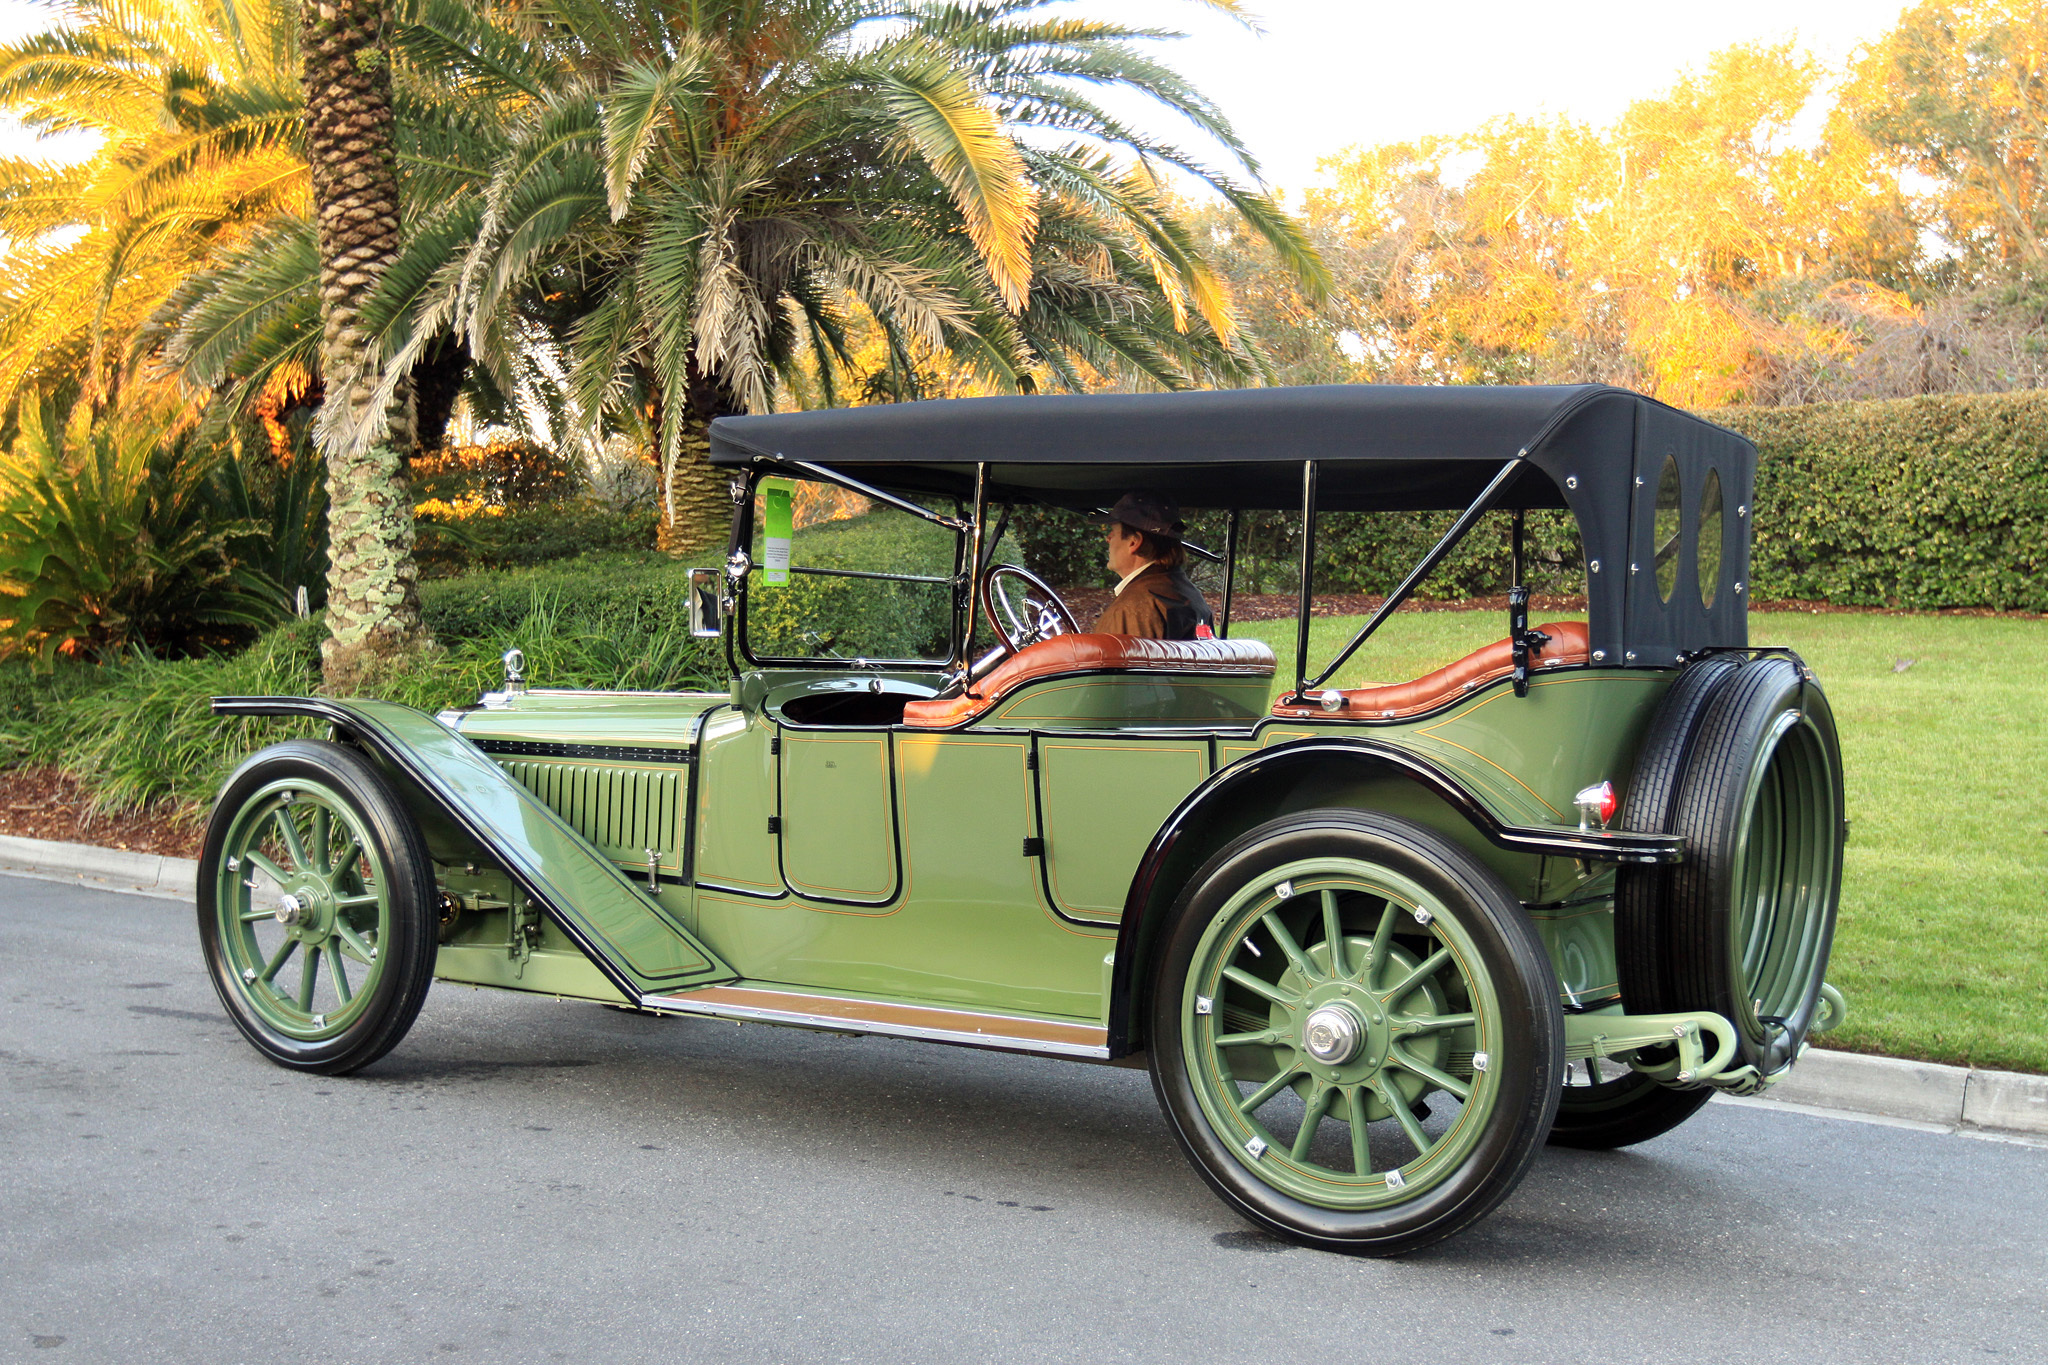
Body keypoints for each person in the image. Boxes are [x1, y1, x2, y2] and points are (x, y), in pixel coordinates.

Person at [1090, 493, 1216, 640]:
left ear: (1133, 542)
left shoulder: (1133, 608)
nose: (1108, 538)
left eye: (1114, 532)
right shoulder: (1191, 595)